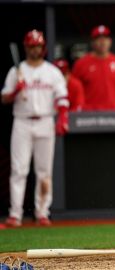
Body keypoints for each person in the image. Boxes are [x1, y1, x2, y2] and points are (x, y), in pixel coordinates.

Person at [1, 30, 69, 227]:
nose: (35, 49)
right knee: (18, 169)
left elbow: (62, 97)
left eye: (38, 46)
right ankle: (15, 215)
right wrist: (16, 90)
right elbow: (4, 97)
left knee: (44, 171)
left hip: (45, 121)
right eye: (31, 46)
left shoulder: (51, 71)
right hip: (22, 121)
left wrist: (62, 118)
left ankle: (42, 212)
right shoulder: (17, 71)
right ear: (26, 48)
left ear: (43, 47)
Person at [72, 25, 115, 111]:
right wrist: (82, 107)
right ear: (92, 42)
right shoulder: (81, 63)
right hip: (89, 116)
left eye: (105, 38)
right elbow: (73, 88)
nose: (102, 42)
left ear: (110, 41)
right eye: (99, 39)